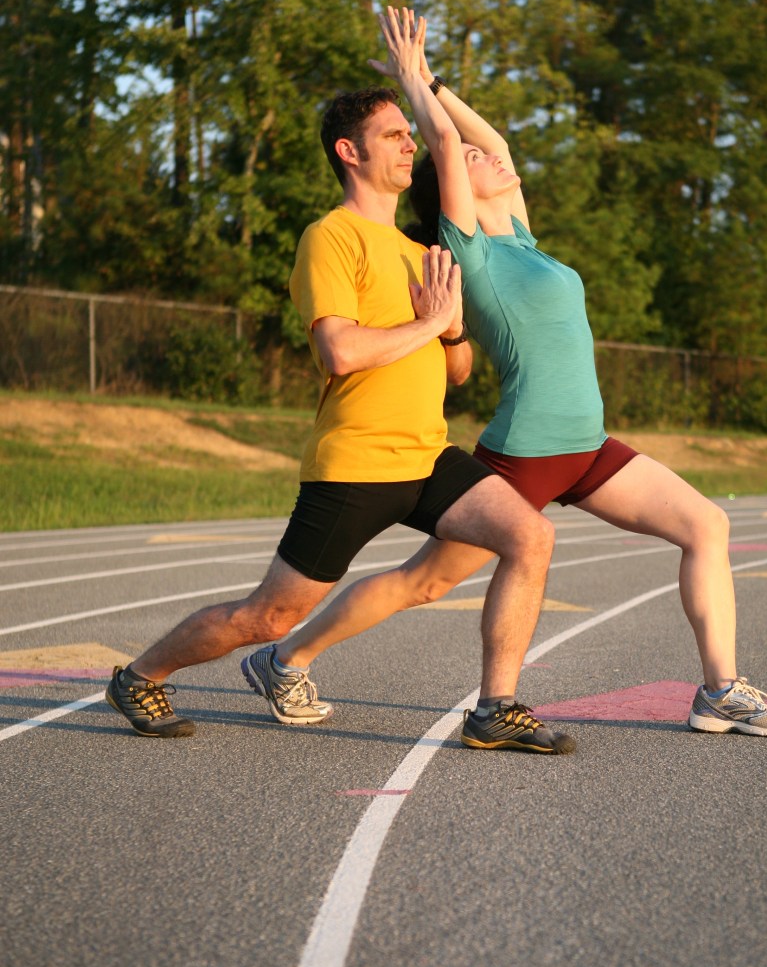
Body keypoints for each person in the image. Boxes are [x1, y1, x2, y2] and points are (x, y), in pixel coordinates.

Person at [251, 8, 767, 740]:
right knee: (426, 580)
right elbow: (448, 141)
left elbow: (490, 140)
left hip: (587, 442)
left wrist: (436, 80)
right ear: (456, 191)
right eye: (475, 165)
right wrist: (412, 78)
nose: (494, 158)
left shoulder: (521, 236)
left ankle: (720, 690)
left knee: (708, 523)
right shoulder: (467, 246)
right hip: (529, 447)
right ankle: (288, 654)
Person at [105, 74, 575, 755]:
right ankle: (140, 675)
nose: (410, 145)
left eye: (410, 135)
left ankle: (494, 707)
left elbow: (460, 371)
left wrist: (448, 330)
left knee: (529, 537)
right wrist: (428, 323)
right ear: (349, 152)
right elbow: (340, 351)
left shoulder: (422, 250)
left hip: (427, 454)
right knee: (267, 617)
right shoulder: (331, 236)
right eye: (394, 135)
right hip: (355, 461)